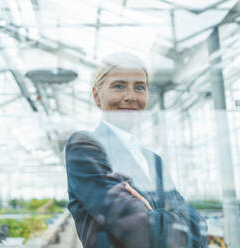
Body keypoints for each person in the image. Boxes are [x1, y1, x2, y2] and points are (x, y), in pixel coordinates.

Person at [65, 52, 207, 248]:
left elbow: (199, 226)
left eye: (139, 87)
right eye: (119, 86)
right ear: (97, 95)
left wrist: (153, 216)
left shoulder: (154, 160)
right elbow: (137, 229)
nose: (131, 97)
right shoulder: (85, 147)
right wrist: (175, 219)